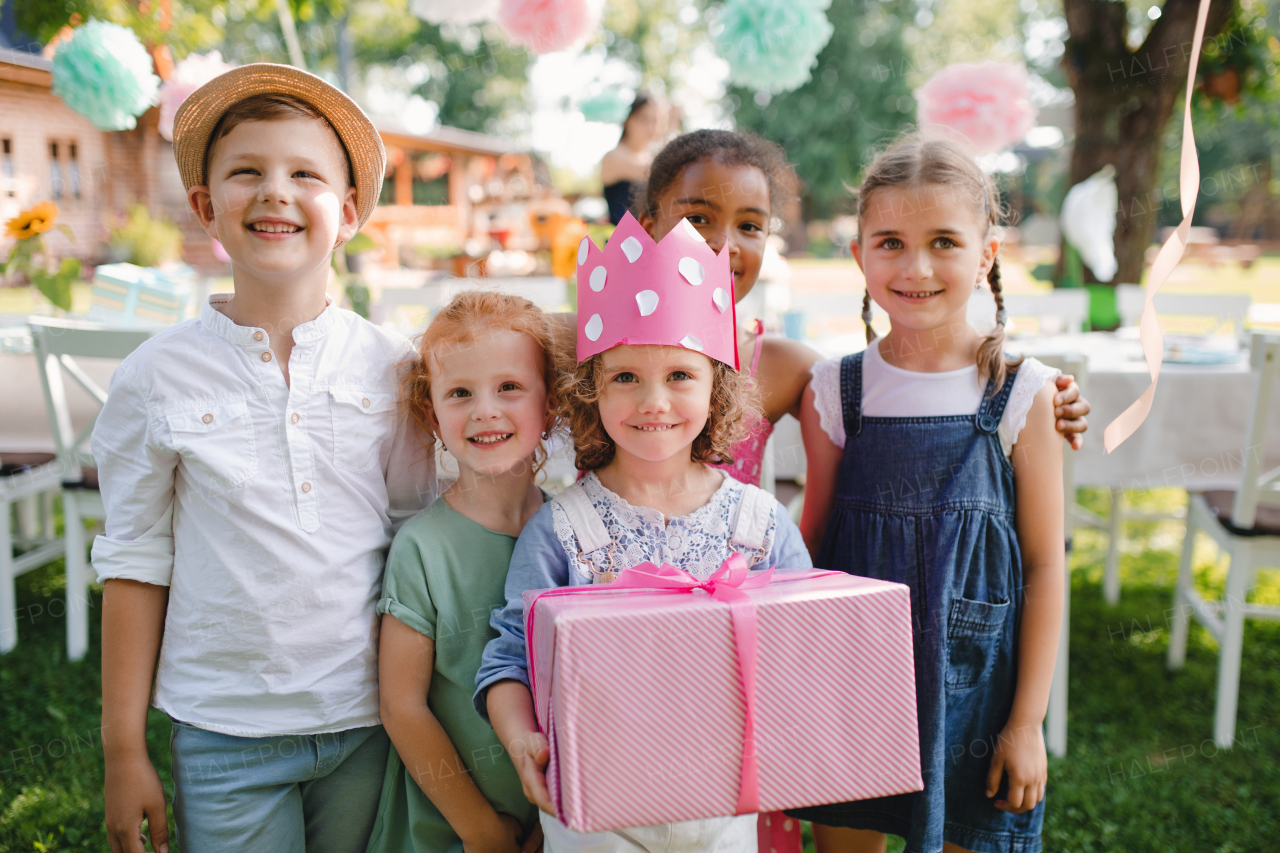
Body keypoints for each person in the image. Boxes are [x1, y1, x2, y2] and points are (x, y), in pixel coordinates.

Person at [93, 65, 437, 853]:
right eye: (247, 171)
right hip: (225, 729)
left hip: (368, 719)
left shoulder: (394, 367)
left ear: (347, 213)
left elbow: (419, 536)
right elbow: (135, 559)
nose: (275, 191)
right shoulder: (157, 374)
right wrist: (122, 747)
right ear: (207, 208)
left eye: (304, 174)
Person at [475, 213, 813, 852]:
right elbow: (510, 655)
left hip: (725, 805)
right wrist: (522, 741)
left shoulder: (760, 525)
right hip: (593, 810)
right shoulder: (563, 530)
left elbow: (801, 648)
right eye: (625, 377)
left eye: (680, 375)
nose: (653, 400)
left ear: (718, 389)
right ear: (590, 390)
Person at [787, 134, 1065, 853]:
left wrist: (1027, 721)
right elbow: (811, 543)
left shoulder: (1023, 392)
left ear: (986, 254)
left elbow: (1044, 565)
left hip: (976, 694)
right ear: (858, 256)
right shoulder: (838, 388)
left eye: (944, 241)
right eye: (890, 242)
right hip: (849, 682)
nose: (915, 267)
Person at [630, 129, 1092, 489]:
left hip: (727, 605)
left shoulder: (782, 368)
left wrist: (1040, 399)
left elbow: (897, 389)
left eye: (749, 225)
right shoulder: (580, 345)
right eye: (698, 219)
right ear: (648, 229)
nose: (724, 244)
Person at [366, 291, 564, 853]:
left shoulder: (573, 531)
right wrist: (482, 831)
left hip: (556, 823)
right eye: (459, 393)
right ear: (432, 414)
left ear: (550, 404)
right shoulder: (423, 547)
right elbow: (401, 706)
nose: (485, 410)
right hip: (448, 830)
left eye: (510, 387)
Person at [600, 91, 665, 225]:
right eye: (645, 119)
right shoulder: (613, 157)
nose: (652, 127)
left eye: (657, 121)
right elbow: (657, 174)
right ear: (628, 120)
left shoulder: (650, 157)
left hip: (648, 239)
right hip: (621, 241)